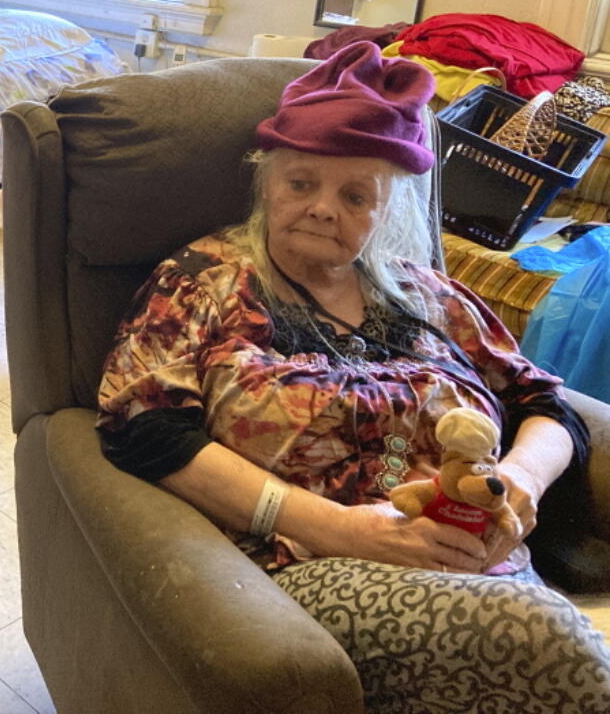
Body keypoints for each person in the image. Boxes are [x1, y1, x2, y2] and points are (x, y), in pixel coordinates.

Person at [96, 41, 610, 712]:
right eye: (300, 183)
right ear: (266, 185)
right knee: (555, 647)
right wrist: (341, 529)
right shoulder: (205, 281)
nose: (321, 207)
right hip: (311, 565)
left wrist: (519, 480)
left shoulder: (430, 295)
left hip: (484, 567)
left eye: (354, 195)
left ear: (386, 211)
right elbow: (146, 430)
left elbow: (544, 401)